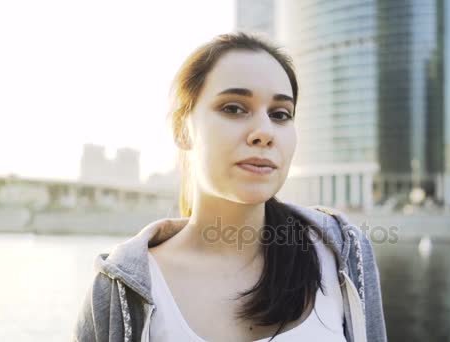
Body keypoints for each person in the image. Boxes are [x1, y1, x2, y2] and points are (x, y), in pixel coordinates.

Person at [72, 32, 387, 342]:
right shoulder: (120, 293)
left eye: (280, 114)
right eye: (234, 108)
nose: (264, 132)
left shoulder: (342, 253)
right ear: (183, 129)